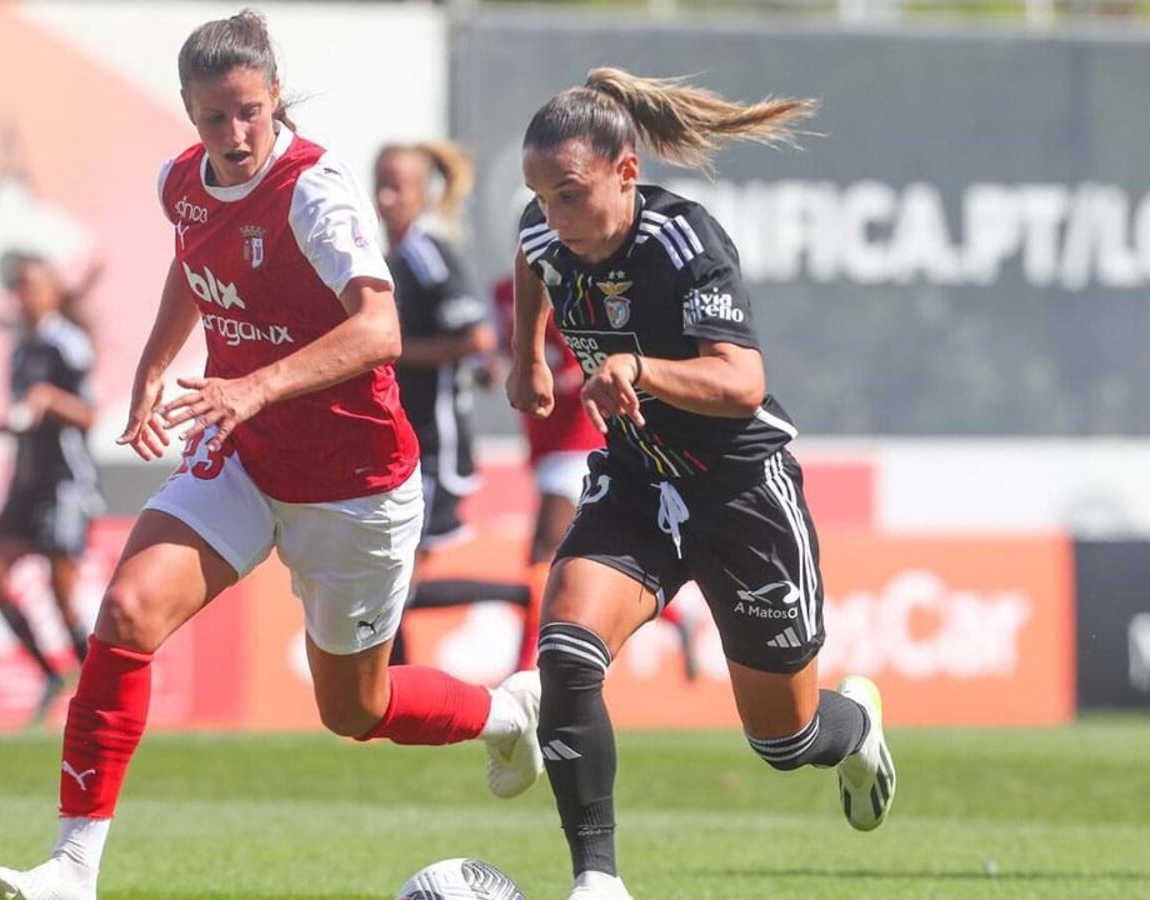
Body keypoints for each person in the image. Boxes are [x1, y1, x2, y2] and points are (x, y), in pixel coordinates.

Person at [0, 12, 540, 900]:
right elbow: (192, 263)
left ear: (274, 96)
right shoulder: (181, 183)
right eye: (213, 117)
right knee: (125, 612)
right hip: (244, 456)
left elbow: (380, 328)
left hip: (355, 484)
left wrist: (250, 385)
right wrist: (156, 366)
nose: (234, 135)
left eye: (248, 111)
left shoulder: (314, 191)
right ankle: (71, 870)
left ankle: (505, 709)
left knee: (355, 710)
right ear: (188, 113)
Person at [506, 69, 897, 900]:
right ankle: (597, 882)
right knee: (568, 651)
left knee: (785, 743)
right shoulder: (546, 233)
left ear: (626, 172)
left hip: (741, 491)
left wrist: (637, 368)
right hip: (639, 482)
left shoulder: (686, 243)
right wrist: (525, 362)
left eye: (570, 195)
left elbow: (742, 382)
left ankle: (856, 725)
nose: (553, 217)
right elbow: (529, 261)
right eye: (539, 196)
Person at [373, 141, 534, 668]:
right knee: (389, 588)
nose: (384, 195)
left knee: (394, 588)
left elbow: (478, 337)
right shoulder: (393, 258)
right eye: (380, 181)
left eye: (397, 184)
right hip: (404, 443)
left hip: (433, 444)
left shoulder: (425, 254)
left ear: (422, 194)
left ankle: (517, 597)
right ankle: (391, 707)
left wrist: (387, 351)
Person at [493, 276, 699, 677]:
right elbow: (503, 351)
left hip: (579, 441)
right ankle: (676, 617)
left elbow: (591, 361)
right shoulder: (505, 293)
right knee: (557, 560)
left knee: (540, 556)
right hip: (544, 443)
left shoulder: (575, 290)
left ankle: (523, 673)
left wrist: (554, 379)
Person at [0, 254, 103, 725]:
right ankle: (50, 675)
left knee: (61, 593)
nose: (25, 294)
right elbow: (23, 422)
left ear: (53, 291)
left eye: (33, 285)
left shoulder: (68, 345)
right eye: (18, 286)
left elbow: (88, 415)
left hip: (64, 482)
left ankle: (95, 692)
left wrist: (51, 399)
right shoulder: (20, 348)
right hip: (26, 483)